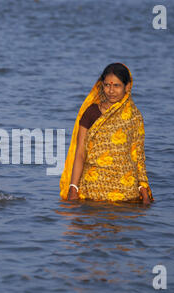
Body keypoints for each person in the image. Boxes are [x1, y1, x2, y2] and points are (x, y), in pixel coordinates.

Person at [60, 63, 154, 205]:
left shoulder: (134, 116)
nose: (111, 91)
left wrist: (144, 190)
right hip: (92, 189)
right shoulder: (91, 112)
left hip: (126, 193)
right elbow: (80, 152)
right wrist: (73, 188)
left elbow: (138, 155)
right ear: (101, 85)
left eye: (116, 86)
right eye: (107, 85)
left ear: (127, 87)